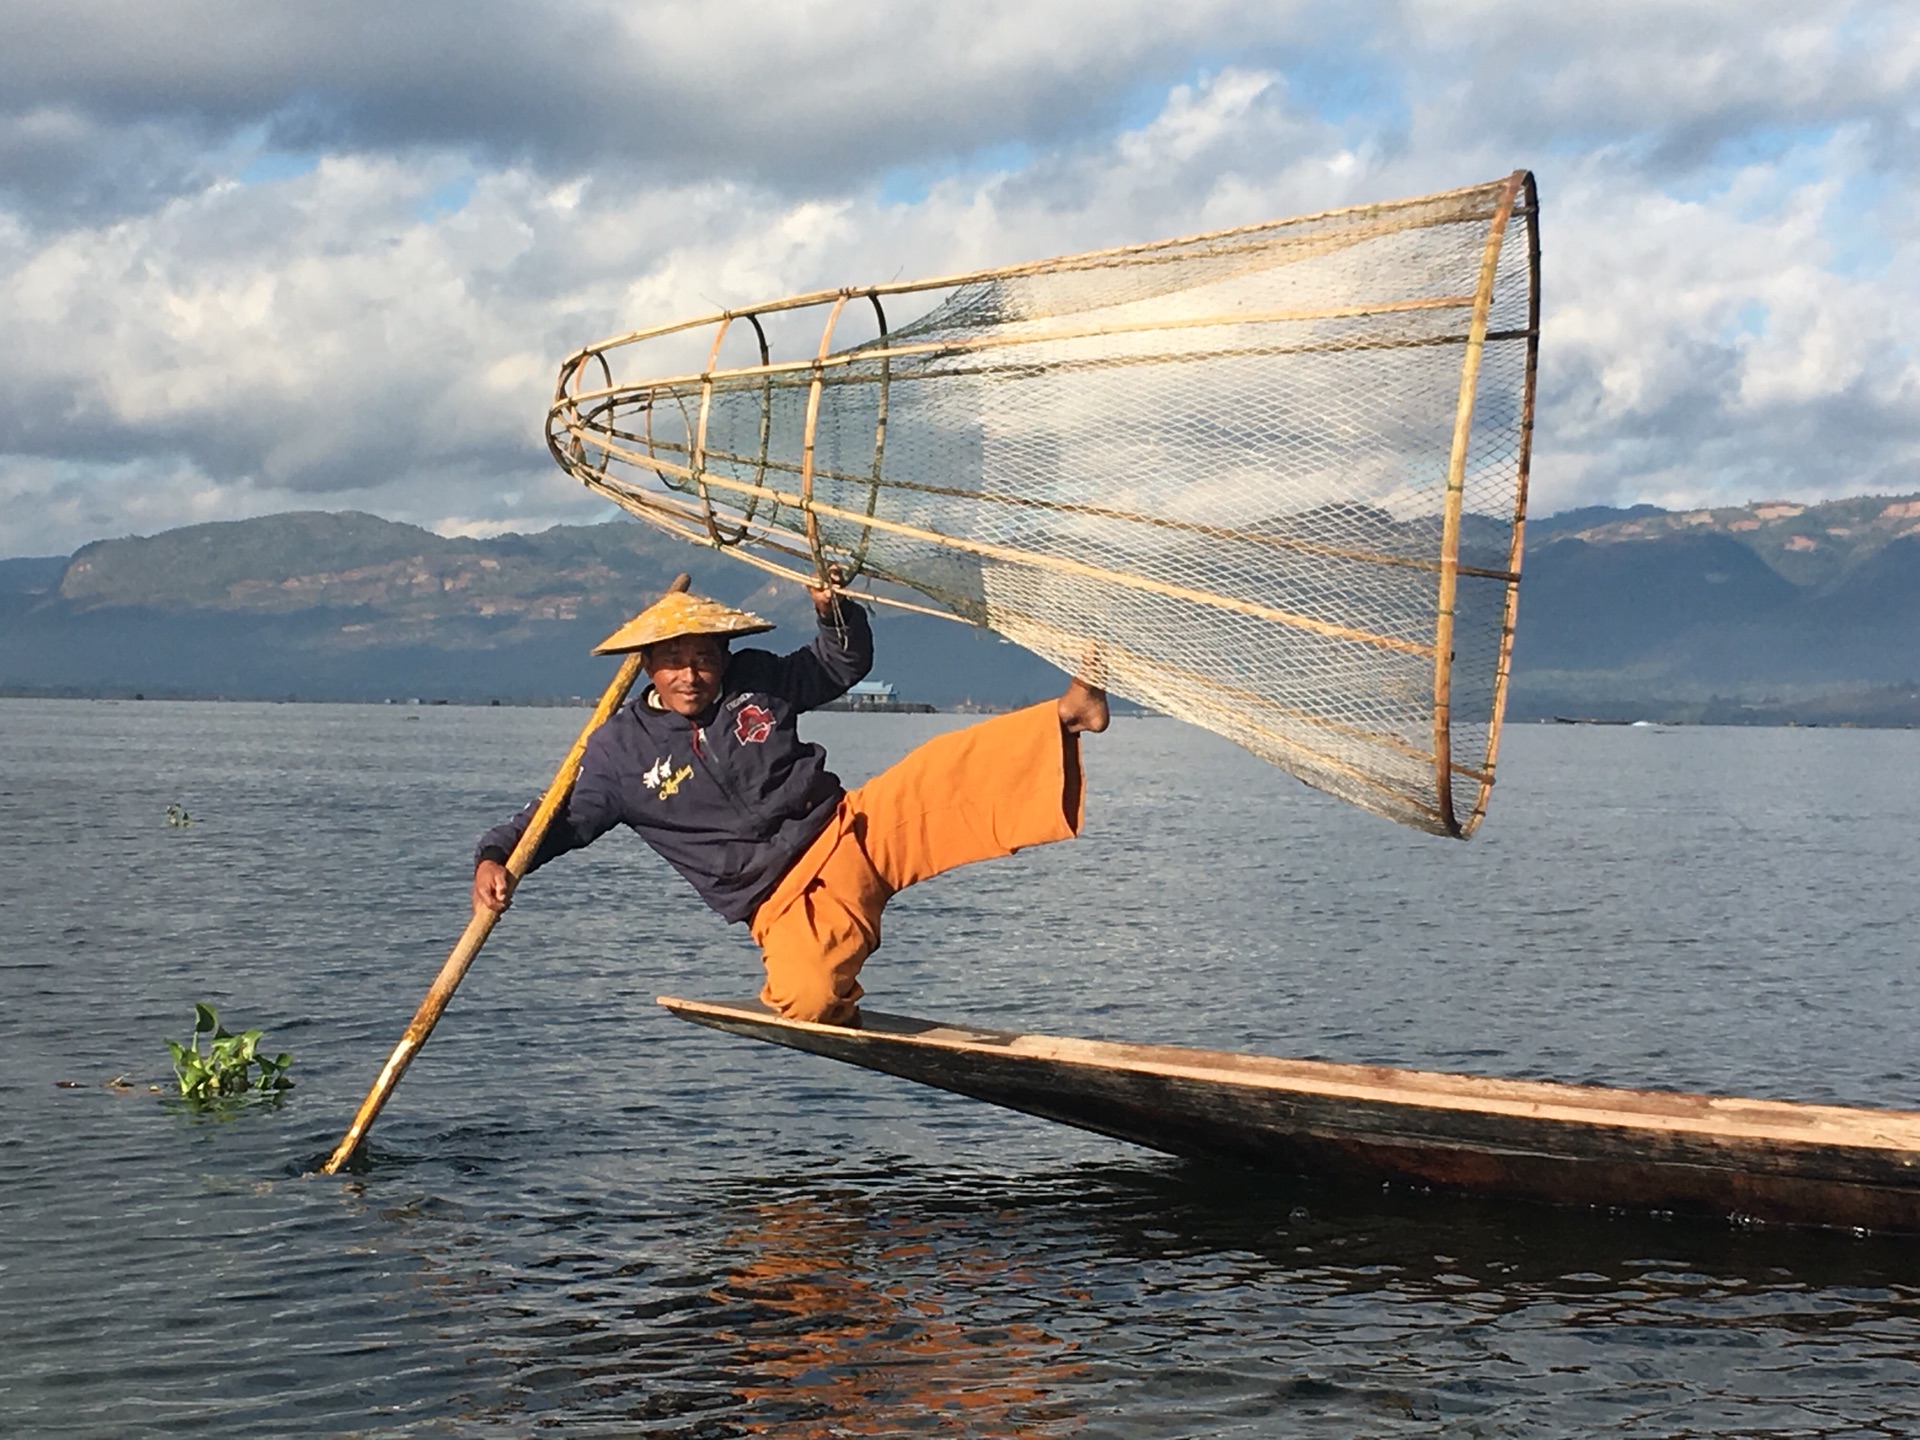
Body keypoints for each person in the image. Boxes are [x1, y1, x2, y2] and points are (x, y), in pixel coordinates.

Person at [472, 579, 1108, 1026]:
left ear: (722, 659)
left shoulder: (756, 680)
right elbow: (559, 818)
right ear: (646, 669)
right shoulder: (618, 752)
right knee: (806, 996)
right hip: (780, 898)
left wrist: (835, 613)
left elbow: (839, 666)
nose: (689, 675)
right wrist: (498, 855)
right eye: (672, 662)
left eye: (701, 659)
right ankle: (834, 994)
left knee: (948, 768)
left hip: (852, 828)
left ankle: (1070, 713)